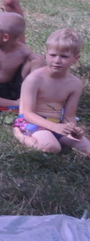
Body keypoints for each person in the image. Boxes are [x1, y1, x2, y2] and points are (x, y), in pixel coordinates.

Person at [13, 28, 90, 157]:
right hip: (31, 122)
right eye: (53, 55)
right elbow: (27, 113)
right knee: (52, 147)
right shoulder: (34, 79)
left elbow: (70, 116)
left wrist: (72, 128)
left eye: (64, 56)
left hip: (57, 123)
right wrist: (54, 127)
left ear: (76, 58)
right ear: (46, 54)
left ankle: (54, 136)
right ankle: (21, 136)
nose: (57, 60)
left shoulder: (75, 83)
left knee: (88, 149)